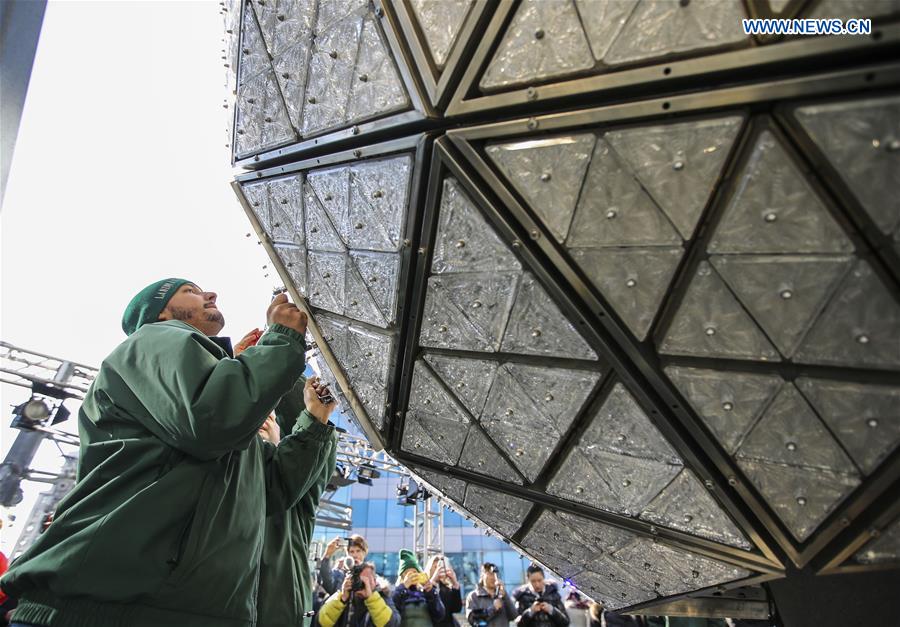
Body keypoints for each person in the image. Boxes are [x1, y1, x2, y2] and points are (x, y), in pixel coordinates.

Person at [0, 279, 334, 627]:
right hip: (109, 608)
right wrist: (279, 341)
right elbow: (213, 417)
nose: (210, 294)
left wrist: (315, 420)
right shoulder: (155, 339)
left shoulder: (222, 428)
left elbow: (276, 492)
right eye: (190, 290)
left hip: (180, 609)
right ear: (161, 311)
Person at [245, 323, 339, 627]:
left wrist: (275, 361)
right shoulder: (224, 476)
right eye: (256, 417)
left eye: (270, 417)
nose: (265, 420)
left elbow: (309, 442)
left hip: (276, 615)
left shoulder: (297, 493)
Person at [318, 561, 399, 627]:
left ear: (375, 581)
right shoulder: (344, 595)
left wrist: (371, 598)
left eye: (367, 579)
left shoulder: (383, 595)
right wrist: (342, 599)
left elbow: (392, 624)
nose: (364, 583)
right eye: (359, 580)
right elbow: (320, 622)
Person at [392, 550, 445, 627]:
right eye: (408, 573)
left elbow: (440, 614)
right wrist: (403, 587)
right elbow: (392, 613)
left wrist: (431, 592)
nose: (412, 576)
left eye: (414, 572)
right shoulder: (397, 593)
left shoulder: (425, 593)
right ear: (402, 576)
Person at [466, 563, 517, 627]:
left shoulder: (502, 595)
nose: (494, 577)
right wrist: (493, 609)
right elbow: (472, 619)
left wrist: (505, 596)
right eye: (491, 574)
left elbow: (514, 616)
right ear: (482, 575)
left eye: (496, 575)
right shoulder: (474, 596)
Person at [425, 554, 463, 627]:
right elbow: (429, 608)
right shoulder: (424, 587)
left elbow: (457, 608)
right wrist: (432, 581)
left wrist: (455, 583)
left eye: (441, 567)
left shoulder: (446, 589)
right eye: (435, 567)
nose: (438, 570)